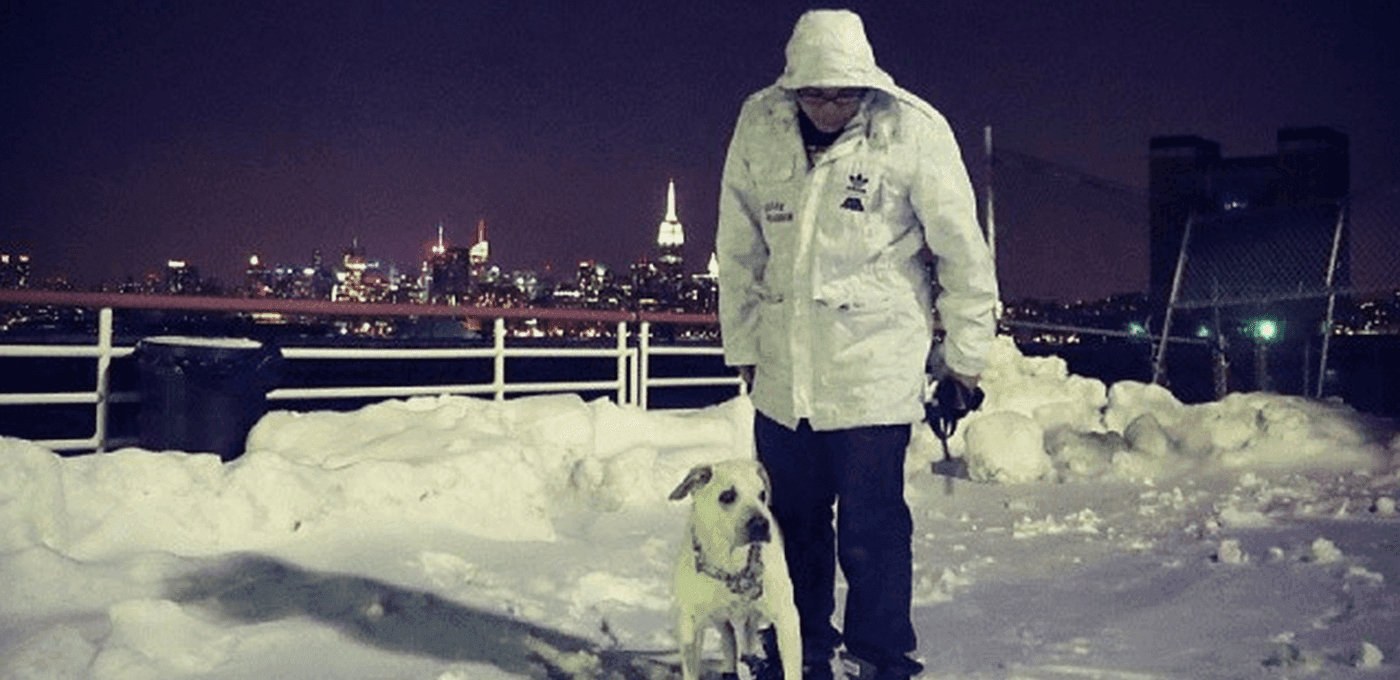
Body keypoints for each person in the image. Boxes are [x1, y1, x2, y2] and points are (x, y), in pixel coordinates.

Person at [715, 9, 998, 680]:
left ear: (866, 85)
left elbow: (962, 252)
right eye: (815, 93)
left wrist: (965, 361)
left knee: (871, 531)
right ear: (793, 87)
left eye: (843, 93)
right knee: (793, 523)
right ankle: (799, 649)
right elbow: (739, 241)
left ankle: (881, 656)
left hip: (873, 367)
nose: (830, 106)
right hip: (785, 373)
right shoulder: (760, 122)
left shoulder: (913, 131)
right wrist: (745, 349)